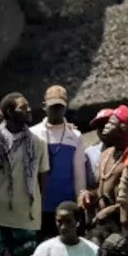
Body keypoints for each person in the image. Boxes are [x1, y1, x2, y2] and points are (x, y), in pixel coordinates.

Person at [0, 92, 48, 256]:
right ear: (9, 112)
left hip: (26, 216)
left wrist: (37, 208)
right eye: (23, 107)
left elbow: (42, 177)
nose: (29, 110)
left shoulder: (38, 143)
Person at [30, 85, 85, 241]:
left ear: (66, 107)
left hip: (66, 208)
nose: (56, 111)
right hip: (40, 207)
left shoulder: (75, 135)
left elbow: (79, 173)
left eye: (60, 107)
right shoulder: (33, 133)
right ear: (44, 106)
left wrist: (80, 202)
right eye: (52, 107)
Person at [80, 105, 128, 231]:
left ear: (123, 128)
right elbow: (102, 190)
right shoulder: (105, 155)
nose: (105, 126)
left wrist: (111, 210)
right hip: (102, 224)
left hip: (126, 225)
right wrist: (89, 195)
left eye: (111, 123)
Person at [28, 201, 100, 256]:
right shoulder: (44, 250)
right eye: (59, 222)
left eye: (68, 222)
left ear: (77, 222)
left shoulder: (93, 250)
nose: (63, 227)